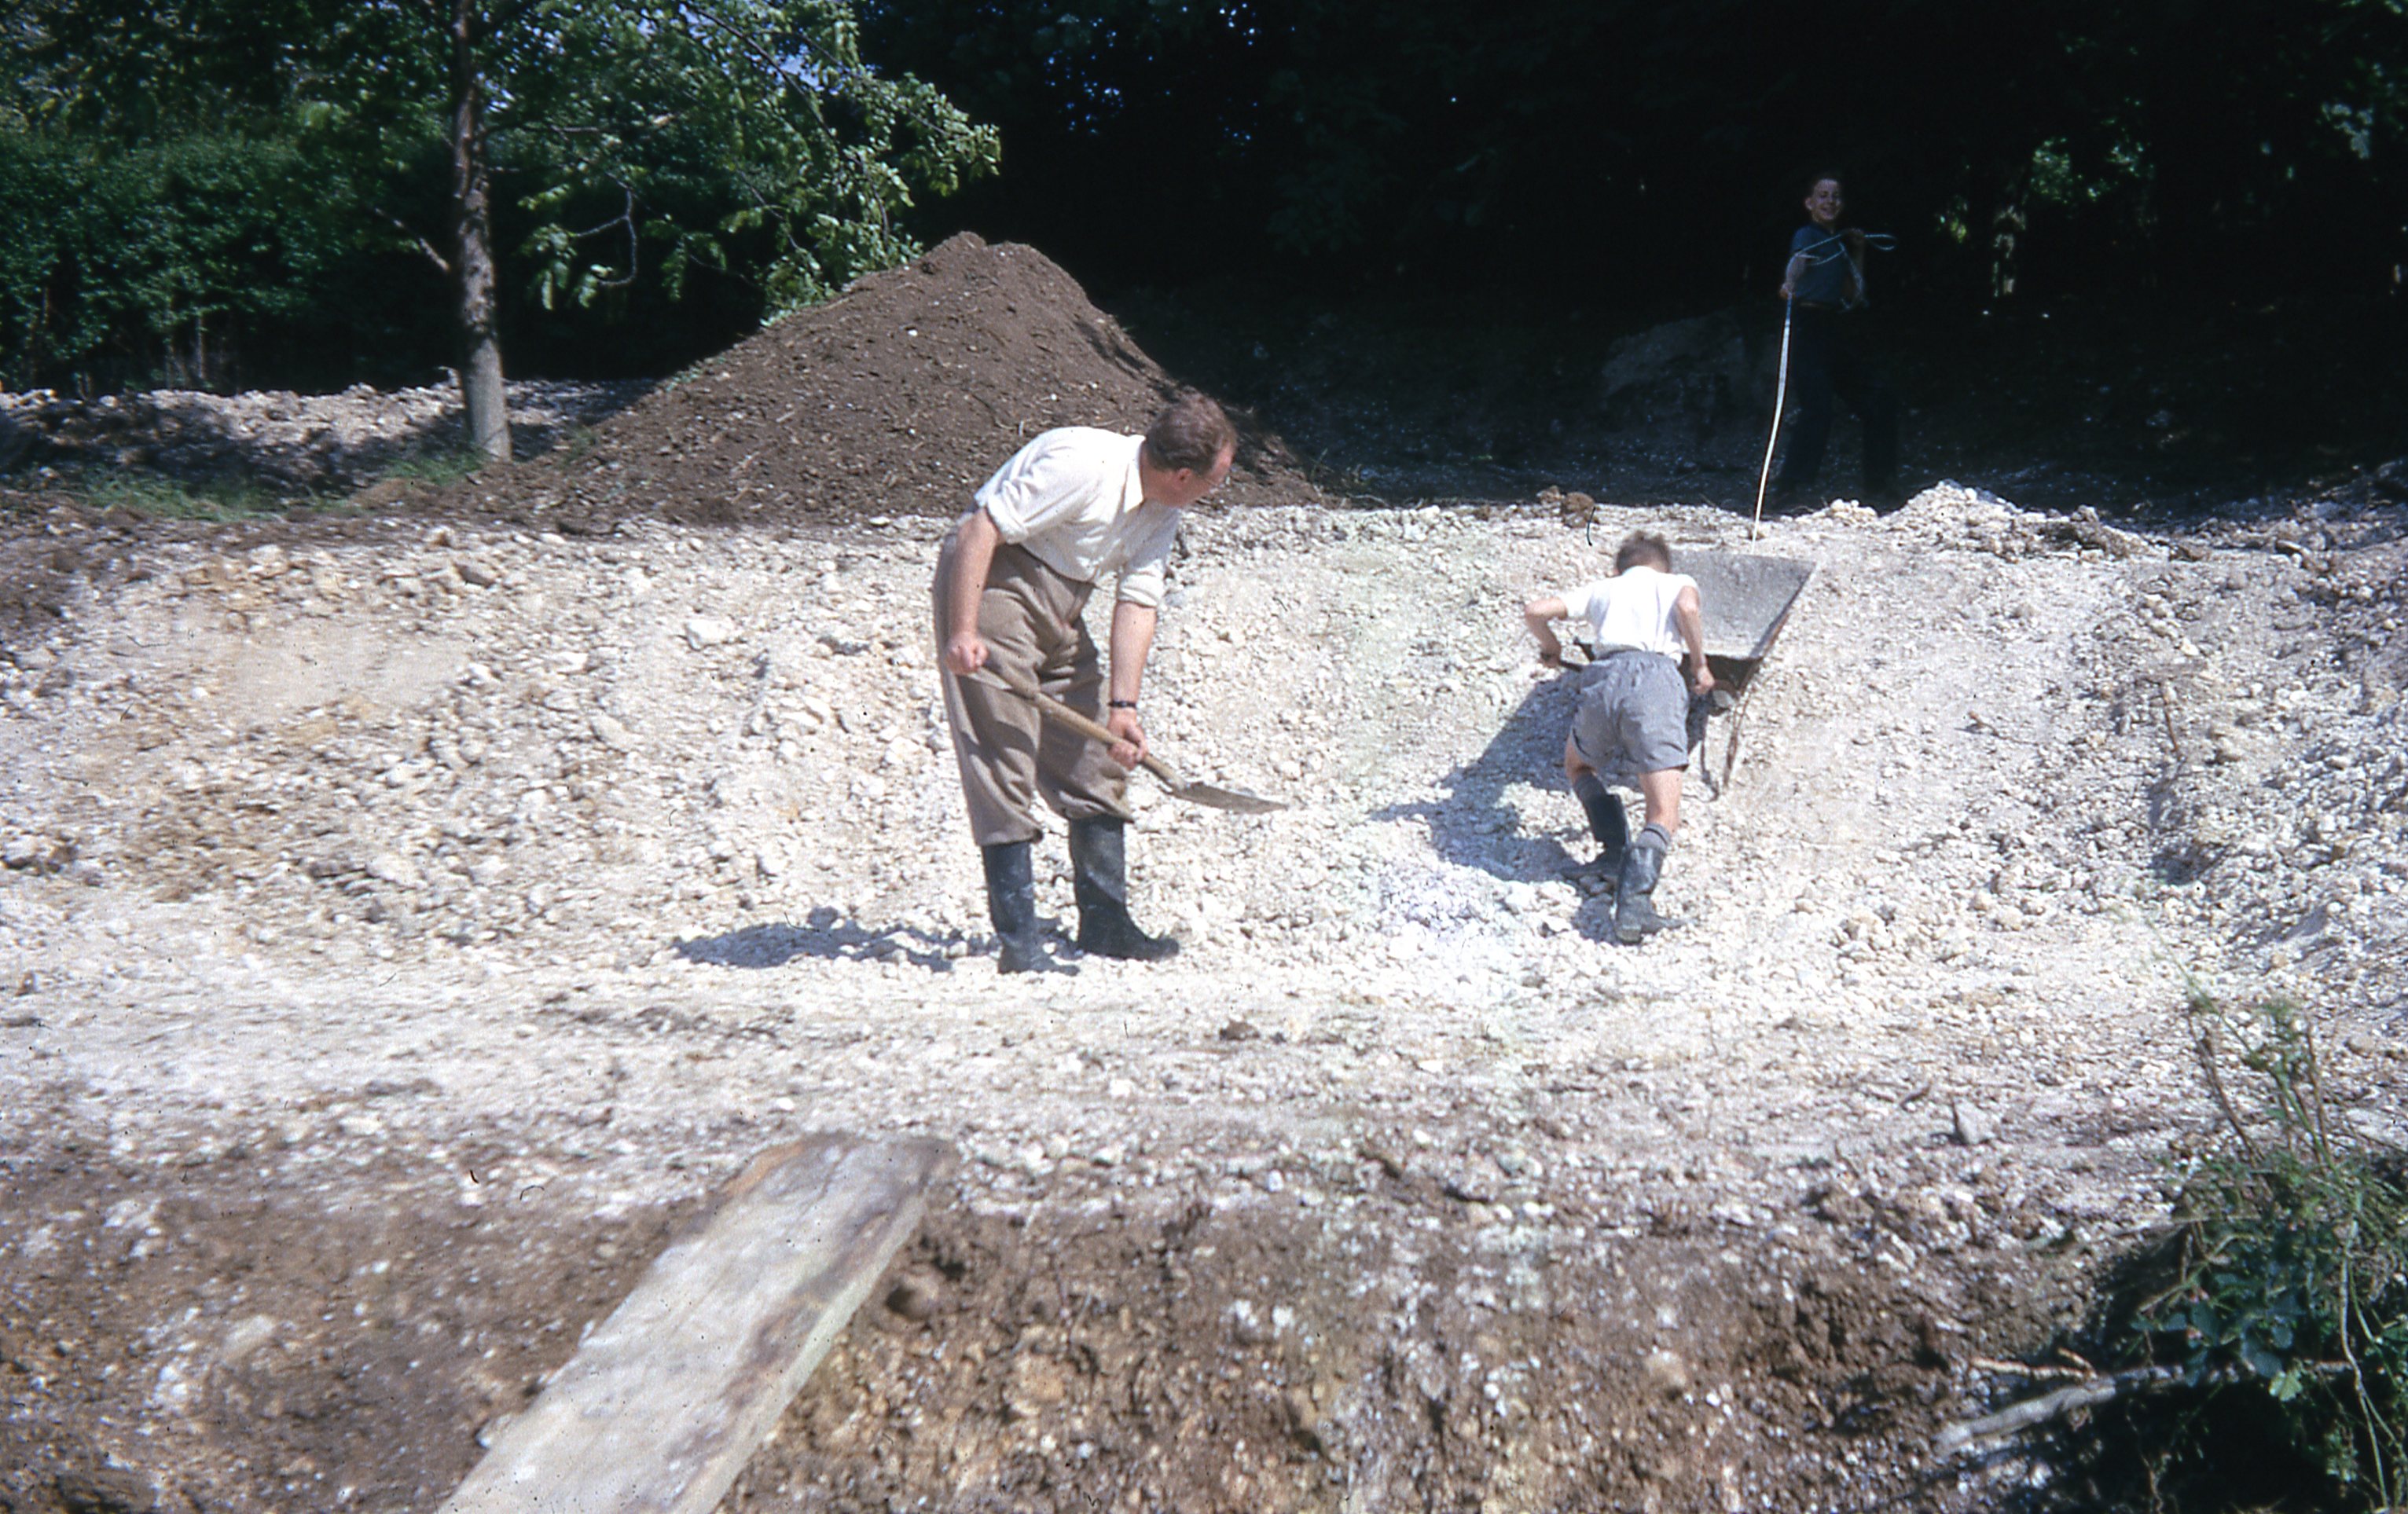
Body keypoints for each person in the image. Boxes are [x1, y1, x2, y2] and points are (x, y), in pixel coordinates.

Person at [934, 392, 1238, 974]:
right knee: (1005, 749)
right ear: (1182, 474)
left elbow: (1139, 601)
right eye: (1215, 480)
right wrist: (963, 630)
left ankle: (1105, 923)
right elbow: (980, 531)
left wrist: (1124, 706)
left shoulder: (1161, 509)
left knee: (1100, 753)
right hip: (995, 583)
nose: (1215, 491)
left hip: (1064, 602)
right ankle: (1020, 942)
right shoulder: (1082, 464)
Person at [1522, 531, 1712, 944]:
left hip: (1603, 678)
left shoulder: (1603, 588)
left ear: (1619, 569)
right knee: (1663, 811)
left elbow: (1535, 610)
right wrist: (1699, 665)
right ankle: (1635, 906)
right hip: (1656, 680)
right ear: (1665, 566)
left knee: (1579, 765)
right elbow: (1687, 608)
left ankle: (1611, 857)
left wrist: (1552, 648)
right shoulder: (1678, 582)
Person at [1771, 171, 1899, 508]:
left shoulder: (1839, 245)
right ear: (1809, 203)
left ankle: (1879, 483)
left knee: (1877, 400)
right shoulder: (1807, 234)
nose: (1830, 202)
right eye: (1823, 196)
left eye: (1836, 196)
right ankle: (1789, 488)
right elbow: (1799, 262)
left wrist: (1858, 251)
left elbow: (1855, 295)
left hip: (1831, 328)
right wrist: (1789, 283)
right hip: (1806, 325)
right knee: (1818, 408)